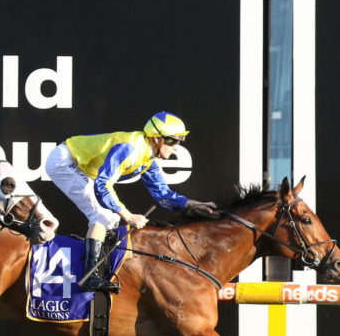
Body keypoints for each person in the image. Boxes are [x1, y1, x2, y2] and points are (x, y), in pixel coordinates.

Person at [44, 111, 217, 292]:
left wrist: (193, 205)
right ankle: (90, 276)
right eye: (172, 141)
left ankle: (97, 272)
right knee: (103, 215)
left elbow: (163, 194)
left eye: (178, 142)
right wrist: (128, 215)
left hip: (81, 165)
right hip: (64, 161)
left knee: (111, 218)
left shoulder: (148, 158)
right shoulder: (130, 149)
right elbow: (103, 185)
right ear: (156, 138)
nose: (175, 148)